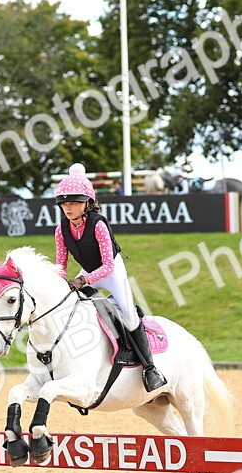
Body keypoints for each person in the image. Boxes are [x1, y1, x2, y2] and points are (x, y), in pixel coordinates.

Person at [53, 163, 166, 392]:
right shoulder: (60, 230)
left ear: (88, 203)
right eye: (65, 203)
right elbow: (61, 266)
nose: (68, 207)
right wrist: (59, 283)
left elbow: (106, 267)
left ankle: (150, 369)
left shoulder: (99, 225)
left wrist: (83, 281)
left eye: (74, 202)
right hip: (87, 272)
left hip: (112, 272)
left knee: (130, 316)